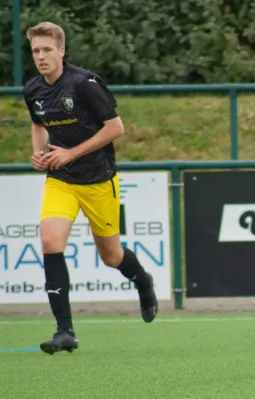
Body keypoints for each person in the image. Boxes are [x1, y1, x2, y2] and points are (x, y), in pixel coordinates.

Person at [22, 22, 158, 355]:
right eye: (36, 51)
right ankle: (64, 330)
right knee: (51, 242)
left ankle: (143, 281)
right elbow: (38, 124)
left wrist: (71, 152)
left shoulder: (84, 83)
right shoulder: (32, 89)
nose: (41, 57)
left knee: (111, 256)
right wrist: (40, 154)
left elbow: (116, 128)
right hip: (61, 180)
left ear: (61, 51)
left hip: (99, 180)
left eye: (47, 50)